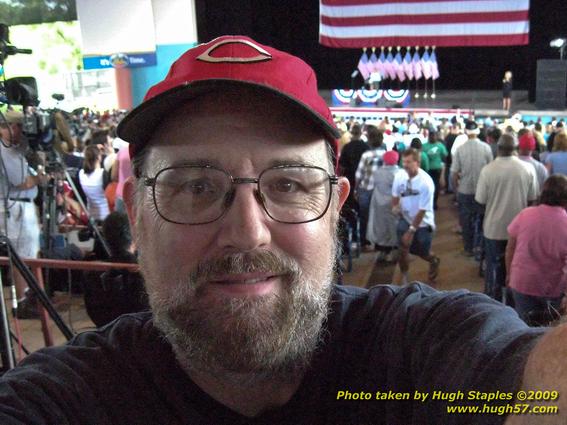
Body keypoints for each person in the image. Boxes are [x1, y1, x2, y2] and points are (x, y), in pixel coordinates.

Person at [1, 35, 567, 425]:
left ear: (336, 207)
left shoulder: (412, 355)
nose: (248, 235)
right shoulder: (71, 398)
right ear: (136, 215)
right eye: (195, 186)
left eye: (290, 185)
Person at [475, 133, 538, 303]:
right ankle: (511, 304)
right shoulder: (527, 168)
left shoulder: (488, 170)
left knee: (493, 269)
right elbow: (533, 199)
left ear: (498, 148)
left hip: (494, 228)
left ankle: (491, 303)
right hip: (519, 230)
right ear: (515, 149)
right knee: (514, 270)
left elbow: (480, 200)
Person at [0, 109, 47, 319]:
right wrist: (40, 178)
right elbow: (22, 181)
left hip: (18, 207)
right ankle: (23, 302)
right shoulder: (5, 151)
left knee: (24, 254)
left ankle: (26, 299)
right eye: (20, 126)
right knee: (22, 257)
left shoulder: (13, 149)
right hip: (15, 208)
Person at [506, 175, 567, 326]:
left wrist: (509, 273)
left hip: (522, 282)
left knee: (523, 327)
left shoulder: (526, 214)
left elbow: (510, 248)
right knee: (547, 331)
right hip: (552, 287)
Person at [392, 148, 439, 285]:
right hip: (405, 218)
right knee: (402, 249)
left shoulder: (426, 182)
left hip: (423, 222)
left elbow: (422, 210)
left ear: (417, 163)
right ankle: (405, 278)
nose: (405, 165)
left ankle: (433, 260)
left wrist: (411, 231)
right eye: (403, 161)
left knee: (422, 252)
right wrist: (395, 208)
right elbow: (395, 197)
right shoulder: (399, 176)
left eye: (408, 162)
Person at [451, 120, 493, 257]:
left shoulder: (460, 149)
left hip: (465, 190)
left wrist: (456, 191)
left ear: (465, 132)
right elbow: (491, 168)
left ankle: (468, 248)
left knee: (466, 221)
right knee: (482, 220)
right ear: (478, 132)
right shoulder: (486, 148)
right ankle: (480, 248)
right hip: (483, 191)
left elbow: (454, 173)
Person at [354, 125, 385, 248]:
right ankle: (378, 242)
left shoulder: (366, 155)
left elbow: (358, 174)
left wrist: (355, 189)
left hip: (365, 190)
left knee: (364, 217)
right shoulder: (386, 155)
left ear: (370, 140)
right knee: (378, 217)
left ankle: (365, 242)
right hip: (380, 191)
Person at [366, 150, 400, 262]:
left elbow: (370, 185)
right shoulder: (399, 173)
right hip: (393, 203)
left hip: (378, 203)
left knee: (380, 226)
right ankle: (392, 251)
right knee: (393, 226)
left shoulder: (377, 172)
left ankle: (381, 250)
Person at [338, 123, 368, 211]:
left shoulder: (347, 147)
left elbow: (342, 165)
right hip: (362, 180)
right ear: (360, 133)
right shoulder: (366, 147)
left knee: (348, 203)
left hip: (349, 177)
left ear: (351, 133)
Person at [79, 144, 110, 221]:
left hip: (91, 215)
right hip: (106, 215)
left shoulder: (81, 173)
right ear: (99, 157)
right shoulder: (102, 174)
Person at [422, 130, 448, 210]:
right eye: (432, 136)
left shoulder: (425, 146)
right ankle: (432, 203)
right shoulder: (439, 146)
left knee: (432, 186)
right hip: (432, 169)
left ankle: (431, 203)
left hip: (432, 169)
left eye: (433, 136)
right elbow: (445, 155)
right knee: (433, 186)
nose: (432, 137)